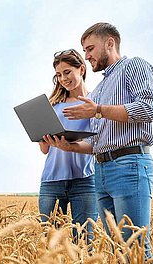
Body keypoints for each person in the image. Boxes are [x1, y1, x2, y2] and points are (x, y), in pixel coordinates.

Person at [43, 22, 153, 259]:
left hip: (128, 164)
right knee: (118, 248)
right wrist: (70, 146)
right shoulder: (99, 89)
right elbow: (97, 143)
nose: (87, 56)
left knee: (134, 246)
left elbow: (149, 109)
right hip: (102, 170)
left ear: (110, 43)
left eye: (90, 49)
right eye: (84, 51)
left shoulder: (133, 66)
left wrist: (98, 110)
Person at [38, 49, 98, 243]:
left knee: (84, 242)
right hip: (52, 181)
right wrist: (42, 137)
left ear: (81, 69)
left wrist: (72, 145)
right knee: (51, 245)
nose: (63, 78)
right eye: (59, 75)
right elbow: (45, 150)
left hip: (85, 180)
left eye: (67, 72)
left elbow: (98, 143)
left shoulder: (94, 103)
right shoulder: (52, 105)